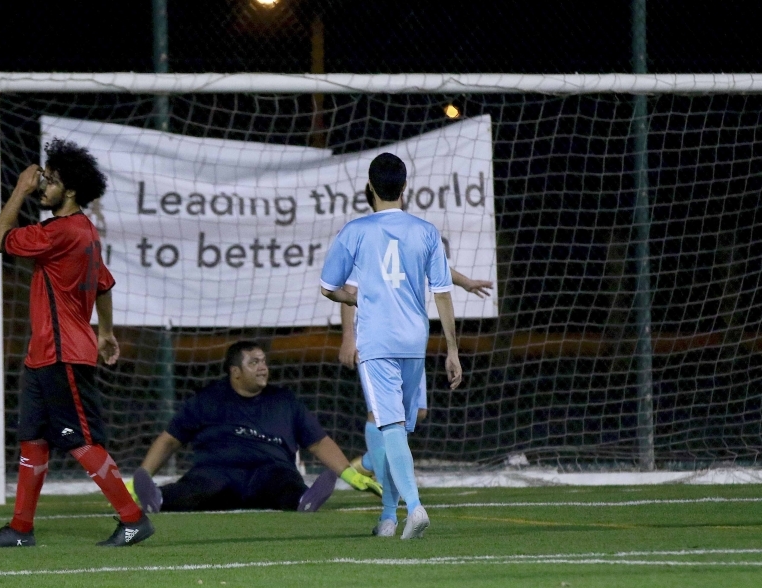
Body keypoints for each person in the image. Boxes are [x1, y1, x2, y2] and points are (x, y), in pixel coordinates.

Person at [0, 139, 153, 548]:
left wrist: (18, 189)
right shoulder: (85, 229)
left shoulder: (60, 231)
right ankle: (20, 529)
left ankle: (132, 518)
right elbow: (104, 283)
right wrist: (105, 332)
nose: (41, 187)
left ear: (69, 190)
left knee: (81, 440)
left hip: (63, 354)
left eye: (49, 181)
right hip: (43, 355)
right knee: (33, 439)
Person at [321, 152, 463, 539]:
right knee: (397, 428)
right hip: (415, 340)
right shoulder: (426, 231)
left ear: (370, 187)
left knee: (392, 426)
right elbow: (443, 294)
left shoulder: (356, 231)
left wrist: (354, 300)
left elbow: (327, 286)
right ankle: (387, 517)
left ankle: (414, 507)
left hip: (378, 340)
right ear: (405, 188)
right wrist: (452, 350)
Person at [338, 184, 492, 479]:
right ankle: (385, 483)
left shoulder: (411, 232)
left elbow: (436, 266)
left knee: (416, 413)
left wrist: (466, 282)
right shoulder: (367, 235)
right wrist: (349, 337)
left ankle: (371, 463)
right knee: (381, 413)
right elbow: (348, 289)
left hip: (408, 337)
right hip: (376, 339)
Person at [130, 340, 381, 514]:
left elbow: (318, 442)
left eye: (263, 361)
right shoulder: (207, 399)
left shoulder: (284, 400)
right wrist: (142, 475)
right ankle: (158, 498)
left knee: (284, 481)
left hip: (268, 471)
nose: (263, 367)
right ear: (235, 372)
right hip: (219, 471)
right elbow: (169, 440)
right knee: (198, 486)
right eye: (254, 362)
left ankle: (304, 500)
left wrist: (349, 474)